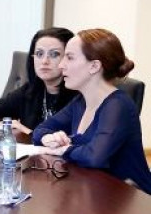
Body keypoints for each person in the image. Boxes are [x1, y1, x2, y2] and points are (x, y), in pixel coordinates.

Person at [33, 28, 151, 194]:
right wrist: (49, 138)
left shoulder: (118, 106)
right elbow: (40, 129)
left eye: (70, 57)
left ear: (94, 66)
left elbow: (95, 157)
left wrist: (63, 149)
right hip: (97, 191)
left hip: (133, 198)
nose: (61, 65)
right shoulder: (80, 102)